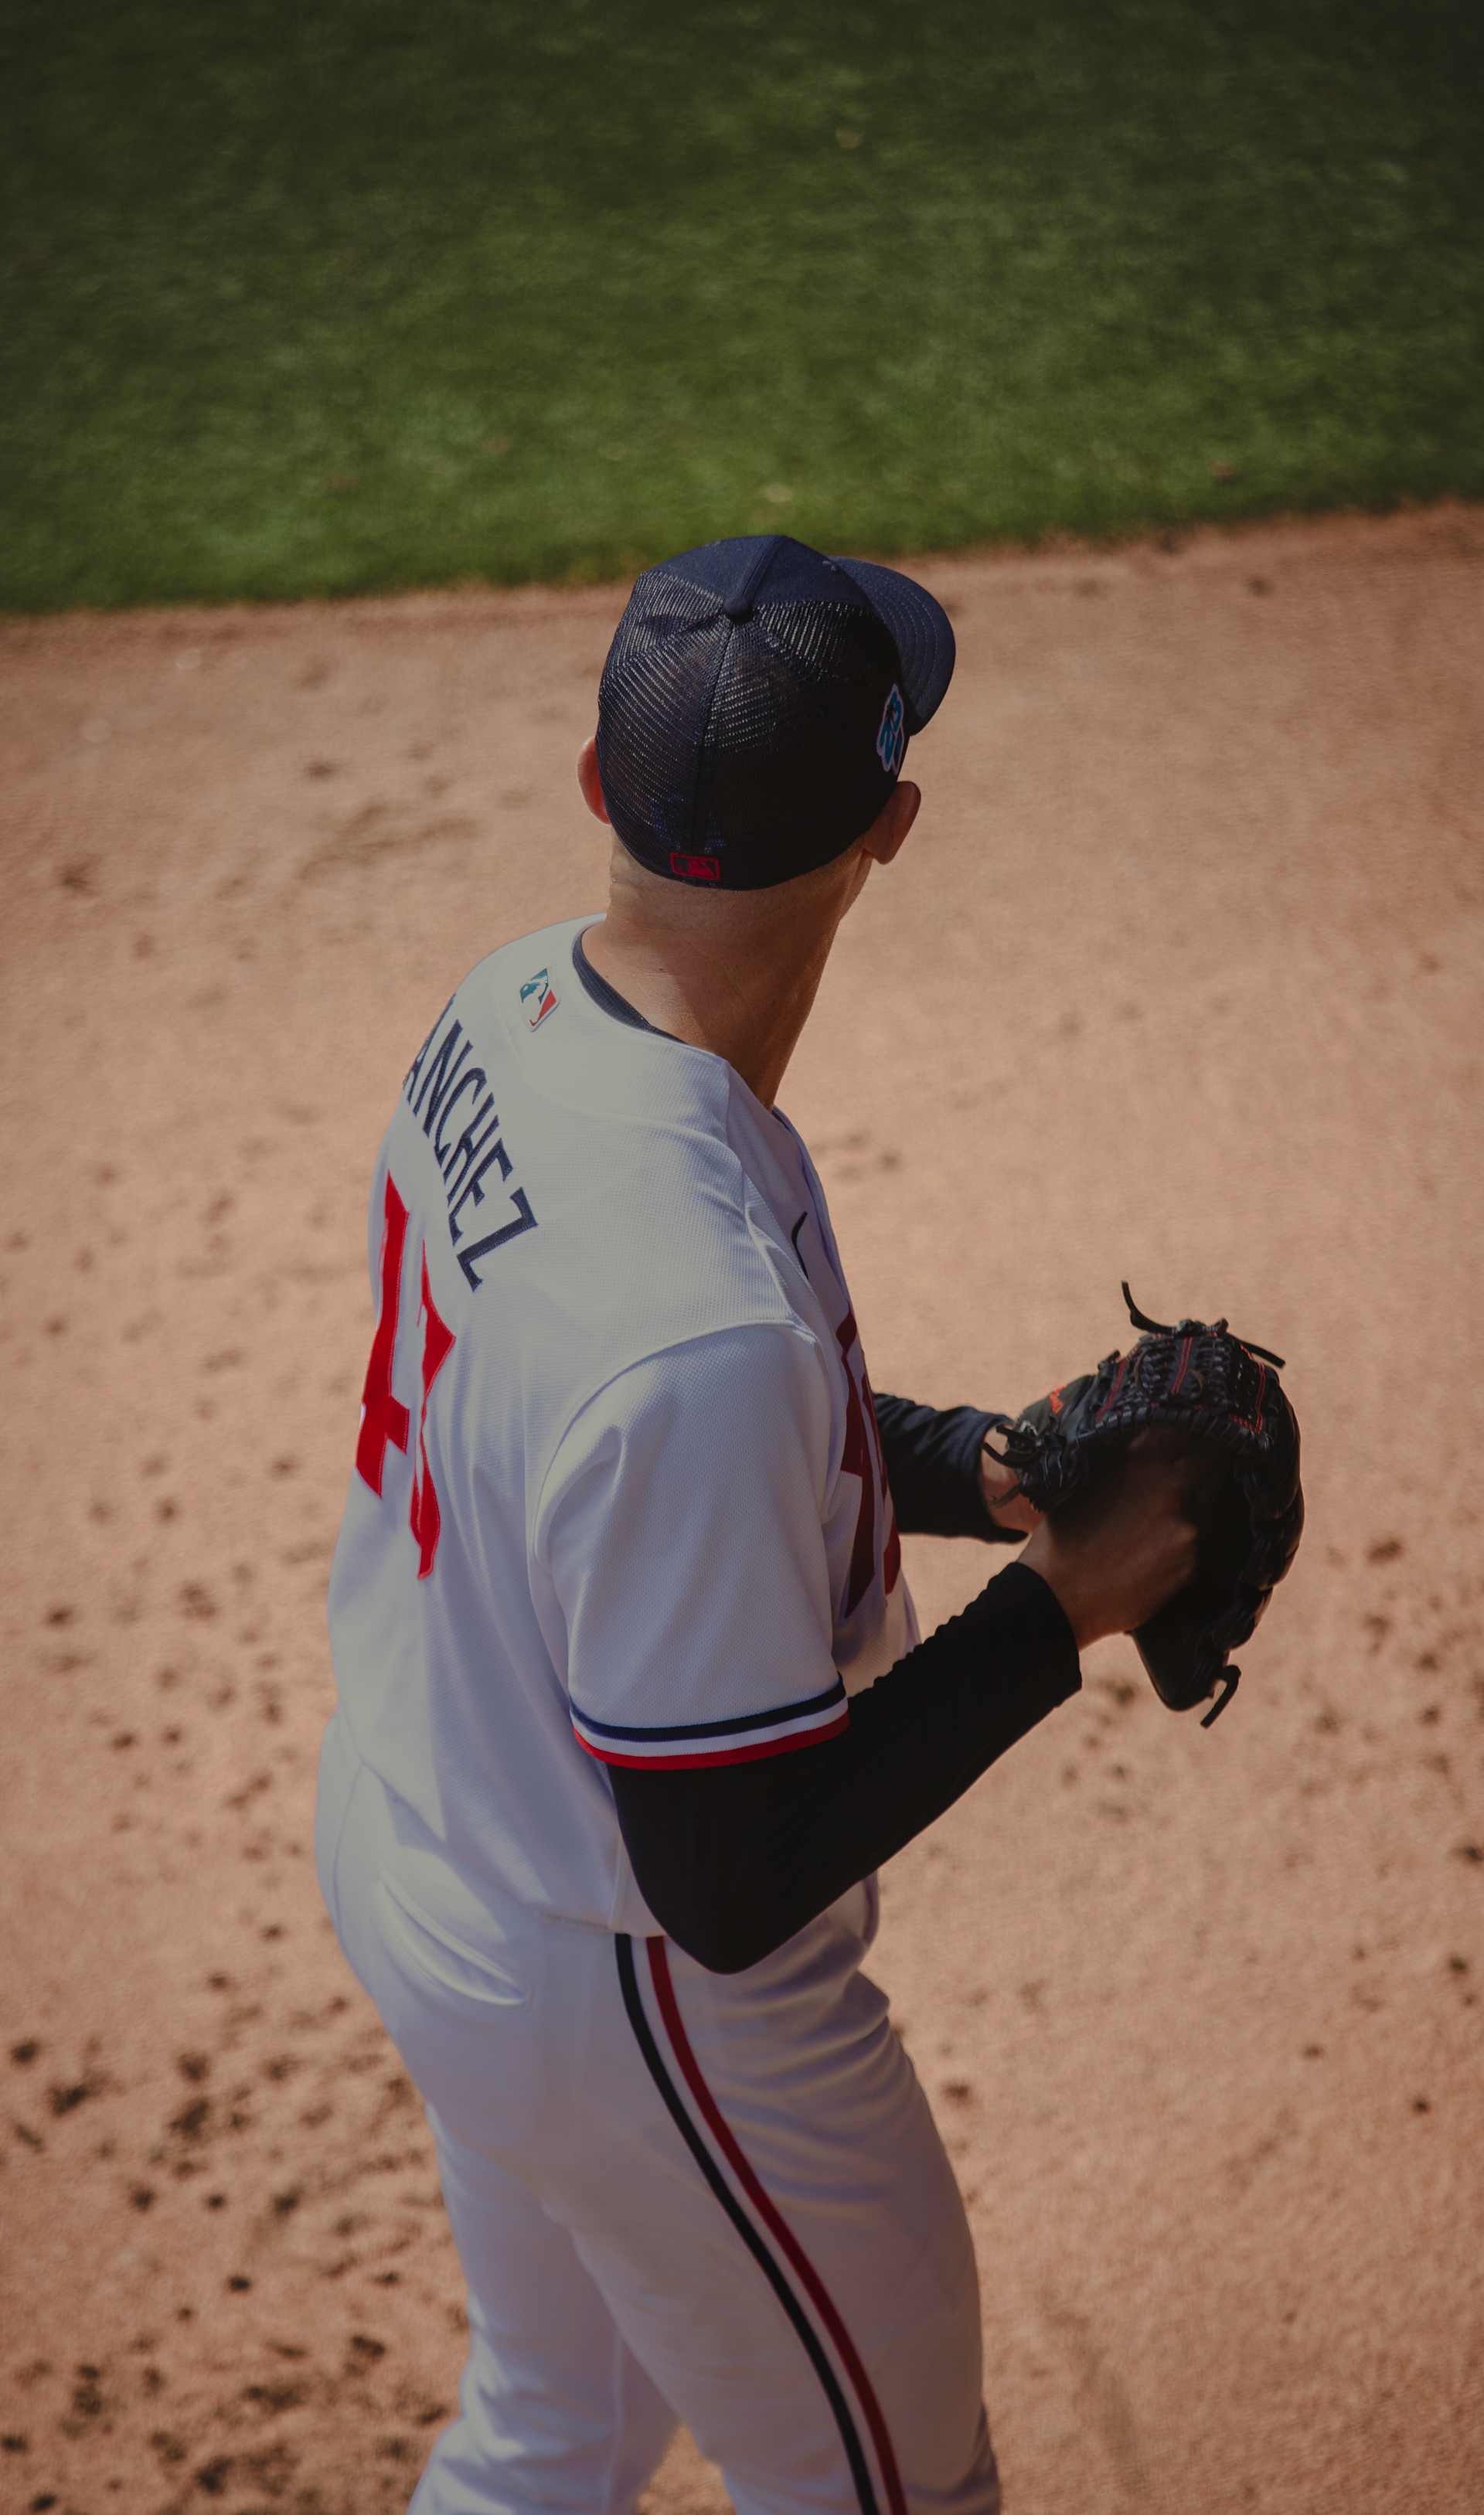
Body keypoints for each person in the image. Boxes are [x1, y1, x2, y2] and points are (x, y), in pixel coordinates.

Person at [315, 534, 1204, 2515]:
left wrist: (976, 1465)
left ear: (596, 784)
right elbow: (730, 1872)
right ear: (893, 826)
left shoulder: (509, 1010)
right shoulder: (694, 1320)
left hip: (422, 1833)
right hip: (641, 2000)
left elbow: (617, 1443)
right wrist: (1061, 1605)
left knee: (552, 2439)